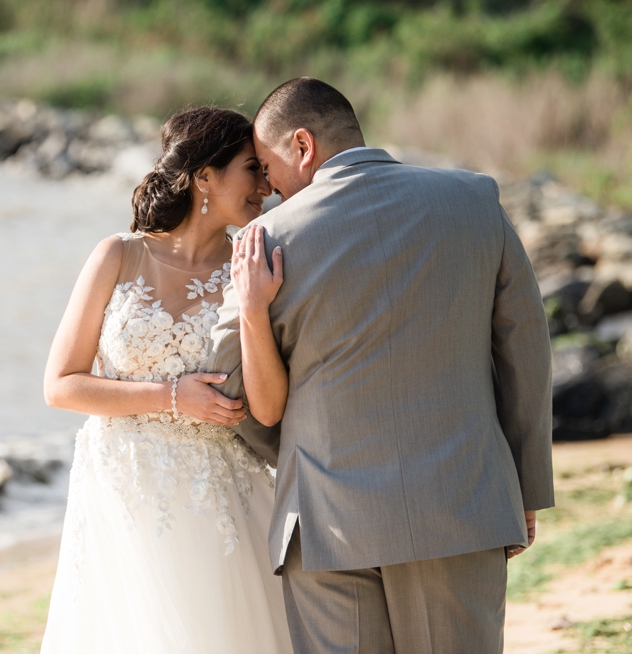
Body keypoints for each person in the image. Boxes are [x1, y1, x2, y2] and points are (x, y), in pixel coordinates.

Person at [206, 77, 555, 653]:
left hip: (323, 519)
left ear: (302, 146)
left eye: (268, 169)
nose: (267, 190)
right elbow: (525, 348)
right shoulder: (474, 200)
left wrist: (297, 455)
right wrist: (523, 486)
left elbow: (232, 388)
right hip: (462, 504)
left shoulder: (264, 242)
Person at [39, 106, 293, 654]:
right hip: (121, 490)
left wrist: (251, 310)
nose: (267, 186)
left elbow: (270, 410)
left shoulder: (254, 266)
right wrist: (173, 398)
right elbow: (60, 384)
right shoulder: (118, 255)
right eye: (253, 168)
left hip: (220, 498)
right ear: (205, 175)